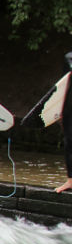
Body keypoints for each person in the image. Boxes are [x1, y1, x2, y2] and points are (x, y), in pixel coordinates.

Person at [53, 51, 72, 194]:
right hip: (70, 105)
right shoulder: (68, 57)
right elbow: (63, 84)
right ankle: (70, 180)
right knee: (69, 143)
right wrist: (59, 108)